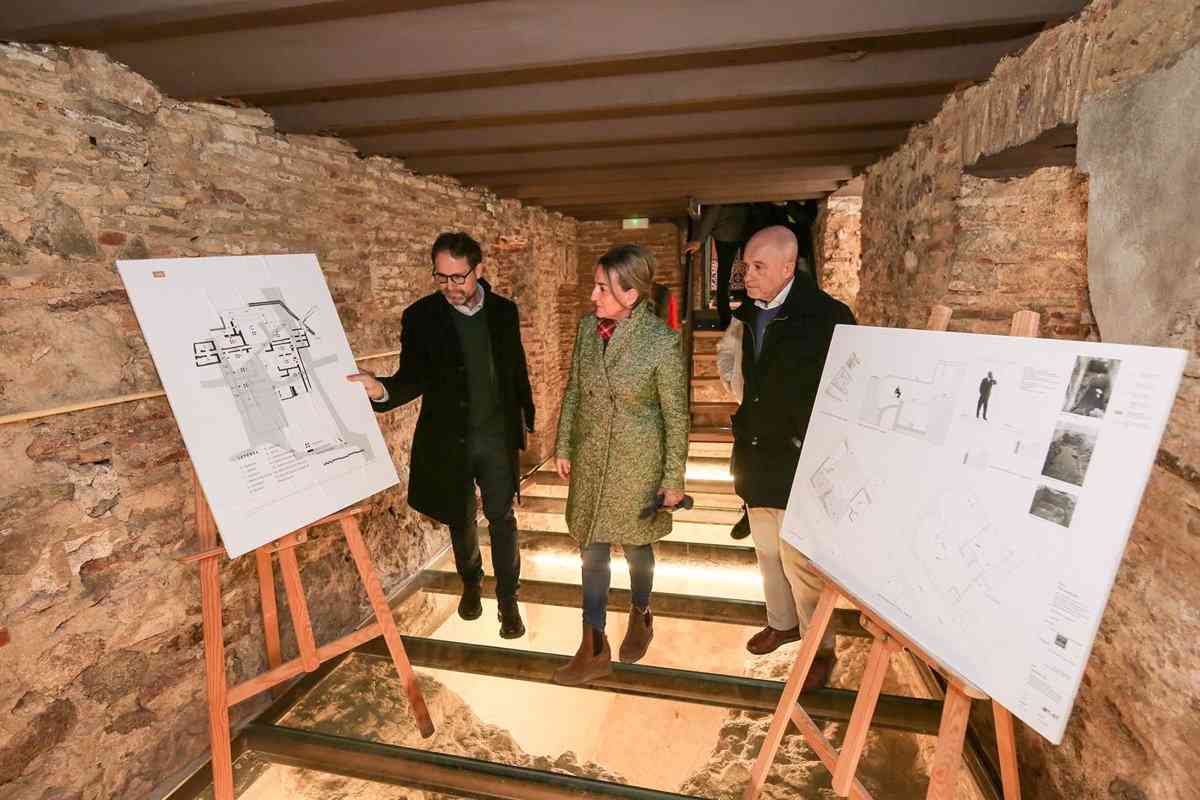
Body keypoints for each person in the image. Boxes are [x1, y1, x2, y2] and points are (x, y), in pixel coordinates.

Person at [347, 232, 534, 639]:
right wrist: (381, 390)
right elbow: (414, 377)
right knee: (460, 518)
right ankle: (471, 582)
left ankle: (508, 601)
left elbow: (514, 368)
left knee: (502, 519)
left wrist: (525, 419)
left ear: (478, 271)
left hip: (496, 437)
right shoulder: (421, 317)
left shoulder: (504, 312)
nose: (450, 287)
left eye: (459, 278)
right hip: (449, 439)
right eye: (441, 277)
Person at [552, 244, 690, 685]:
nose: (593, 296)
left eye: (601, 288)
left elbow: (675, 415)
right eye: (595, 285)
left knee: (635, 547)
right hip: (592, 456)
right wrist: (564, 445)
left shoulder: (662, 342)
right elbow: (574, 390)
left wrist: (672, 479)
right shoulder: (586, 331)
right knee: (591, 549)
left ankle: (641, 610)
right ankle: (593, 646)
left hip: (637, 463)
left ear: (630, 295)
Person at [726, 226, 855, 690]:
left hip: (801, 456)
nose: (747, 277)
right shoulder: (749, 317)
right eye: (745, 266)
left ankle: (818, 647)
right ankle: (782, 623)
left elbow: (849, 388)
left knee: (800, 559)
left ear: (787, 267)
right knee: (765, 548)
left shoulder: (828, 317)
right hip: (758, 454)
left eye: (758, 268)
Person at [684, 203, 750, 329]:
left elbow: (712, 213)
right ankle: (744, 314)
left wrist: (699, 240)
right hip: (742, 231)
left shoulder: (722, 194)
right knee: (747, 272)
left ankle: (726, 319)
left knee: (724, 275)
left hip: (726, 234)